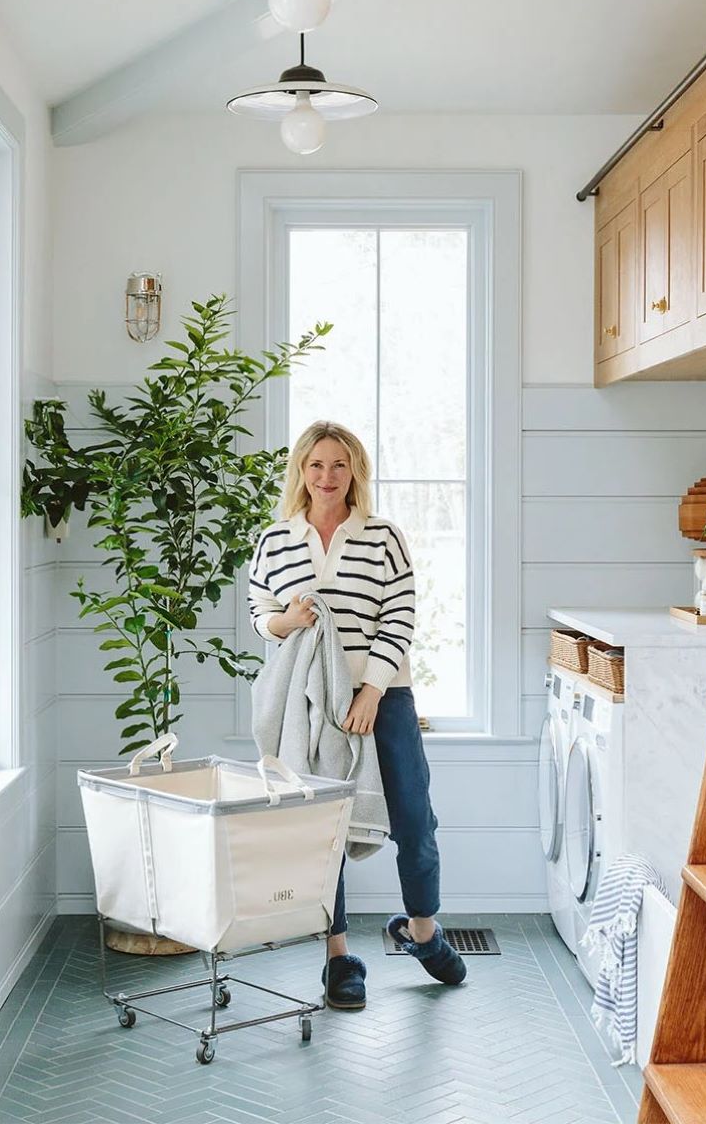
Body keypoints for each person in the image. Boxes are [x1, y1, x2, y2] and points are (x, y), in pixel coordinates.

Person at [247, 420, 467, 1010]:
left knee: (415, 821)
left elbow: (400, 614)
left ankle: (423, 932)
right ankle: (339, 957)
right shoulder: (275, 540)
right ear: (301, 470)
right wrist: (289, 621)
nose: (326, 477)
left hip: (383, 698)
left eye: (339, 465)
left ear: (355, 473)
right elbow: (260, 616)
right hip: (310, 703)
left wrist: (370, 691)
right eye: (316, 465)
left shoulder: (382, 537)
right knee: (322, 829)